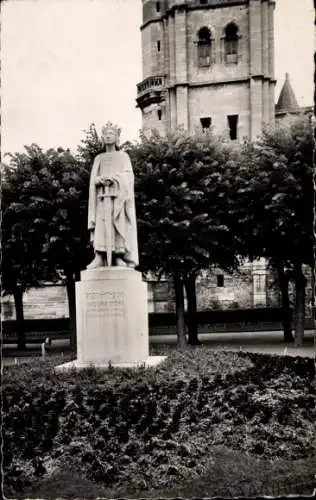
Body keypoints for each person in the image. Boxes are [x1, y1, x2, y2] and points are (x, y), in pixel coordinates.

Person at [87, 122, 138, 269]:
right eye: (106, 134)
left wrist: (115, 179)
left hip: (118, 201)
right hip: (102, 200)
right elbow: (93, 180)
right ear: (102, 138)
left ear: (117, 137)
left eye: (111, 133)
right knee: (101, 226)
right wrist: (100, 180)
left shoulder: (123, 157)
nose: (108, 136)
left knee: (118, 226)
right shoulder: (99, 158)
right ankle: (99, 256)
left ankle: (118, 257)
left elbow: (128, 177)